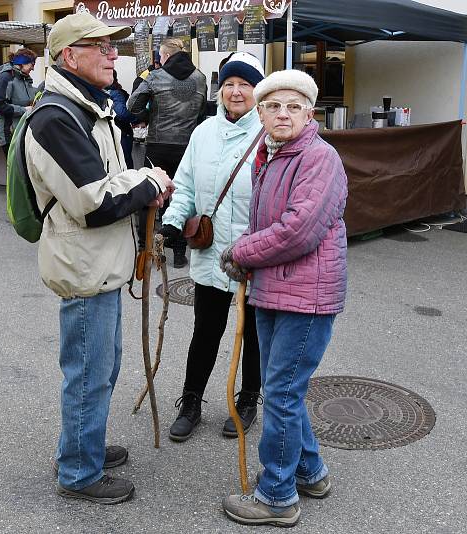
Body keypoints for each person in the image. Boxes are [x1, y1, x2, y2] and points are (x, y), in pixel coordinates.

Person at [25, 13, 174, 505]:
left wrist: (137, 181)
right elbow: (95, 203)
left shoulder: (88, 106)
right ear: (70, 56)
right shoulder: (55, 117)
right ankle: (78, 471)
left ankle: (82, 445)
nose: (115, 55)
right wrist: (148, 183)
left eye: (114, 47)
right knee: (89, 374)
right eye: (103, 48)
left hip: (101, 264)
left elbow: (112, 179)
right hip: (85, 267)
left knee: (101, 369)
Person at [220, 70, 348, 527]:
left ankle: (276, 496)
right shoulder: (269, 154)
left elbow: (300, 229)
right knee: (284, 391)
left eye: (294, 106)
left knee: (281, 394)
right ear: (259, 113)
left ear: (310, 113)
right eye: (273, 106)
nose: (283, 114)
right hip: (274, 289)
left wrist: (241, 251)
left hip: (306, 296)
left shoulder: (319, 157)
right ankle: (310, 472)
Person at [158, 53, 266, 442]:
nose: (236, 91)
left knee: (253, 333)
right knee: (205, 330)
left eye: (245, 84)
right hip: (210, 253)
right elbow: (185, 183)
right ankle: (191, 401)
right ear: (220, 89)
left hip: (256, 256)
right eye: (230, 84)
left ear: (258, 90)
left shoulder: (270, 134)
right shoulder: (203, 132)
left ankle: (249, 398)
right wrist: (172, 221)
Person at [128, 38, 207, 268]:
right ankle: (180, 252)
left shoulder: (155, 76)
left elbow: (132, 106)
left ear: (164, 56)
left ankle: (145, 249)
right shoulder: (200, 78)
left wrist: (148, 113)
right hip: (187, 145)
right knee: (181, 196)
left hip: (158, 144)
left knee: (150, 195)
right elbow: (201, 111)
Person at [0, 48, 39, 157]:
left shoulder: (24, 78)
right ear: (22, 63)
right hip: (9, 133)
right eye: (32, 64)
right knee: (15, 171)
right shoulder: (5, 78)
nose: (33, 68)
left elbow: (26, 95)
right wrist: (23, 110)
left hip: (22, 131)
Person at [108, 70, 138, 168]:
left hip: (109, 132)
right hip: (122, 132)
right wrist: (136, 119)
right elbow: (122, 113)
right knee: (126, 161)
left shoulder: (99, 91)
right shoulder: (116, 93)